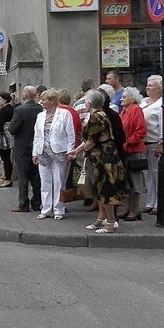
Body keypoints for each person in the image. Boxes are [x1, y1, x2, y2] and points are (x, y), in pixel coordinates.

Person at [68, 89, 129, 233]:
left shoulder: (96, 117)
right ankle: (101, 219)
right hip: (104, 155)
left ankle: (110, 222)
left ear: (90, 103)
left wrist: (81, 150)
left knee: (105, 190)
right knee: (100, 190)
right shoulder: (101, 115)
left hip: (104, 157)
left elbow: (91, 140)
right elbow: (91, 139)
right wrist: (77, 150)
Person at [32, 89, 75, 219]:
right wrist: (35, 153)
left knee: (59, 181)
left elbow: (70, 134)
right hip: (43, 152)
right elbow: (37, 135)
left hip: (59, 151)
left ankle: (58, 209)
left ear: (51, 101)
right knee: (45, 181)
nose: (41, 102)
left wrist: (70, 150)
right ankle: (46, 209)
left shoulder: (64, 114)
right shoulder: (40, 115)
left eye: (44, 99)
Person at [8, 86, 42, 213]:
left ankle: (23, 204)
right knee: (36, 177)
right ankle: (37, 202)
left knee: (23, 177)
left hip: (22, 147)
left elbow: (12, 129)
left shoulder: (20, 110)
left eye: (23, 92)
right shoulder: (40, 109)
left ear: (26, 95)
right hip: (36, 147)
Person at [119, 87, 147, 221]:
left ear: (132, 98)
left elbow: (140, 131)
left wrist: (128, 142)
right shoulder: (124, 112)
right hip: (125, 151)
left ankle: (134, 210)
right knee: (127, 181)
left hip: (134, 150)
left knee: (135, 181)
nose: (121, 99)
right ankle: (127, 208)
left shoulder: (136, 109)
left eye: (124, 97)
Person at [139, 75, 162, 217]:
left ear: (159, 88)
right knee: (147, 174)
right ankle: (150, 202)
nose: (148, 87)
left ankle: (159, 203)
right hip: (143, 143)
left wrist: (161, 142)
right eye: (147, 85)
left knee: (156, 173)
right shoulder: (143, 102)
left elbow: (163, 125)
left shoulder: (160, 105)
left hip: (154, 142)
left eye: (151, 85)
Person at [0, 92, 14, 187]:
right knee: (5, 158)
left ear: (5, 100)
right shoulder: (8, 109)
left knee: (5, 158)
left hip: (5, 136)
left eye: (0, 99)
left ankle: (8, 179)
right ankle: (6, 177)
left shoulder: (5, 109)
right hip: (8, 135)